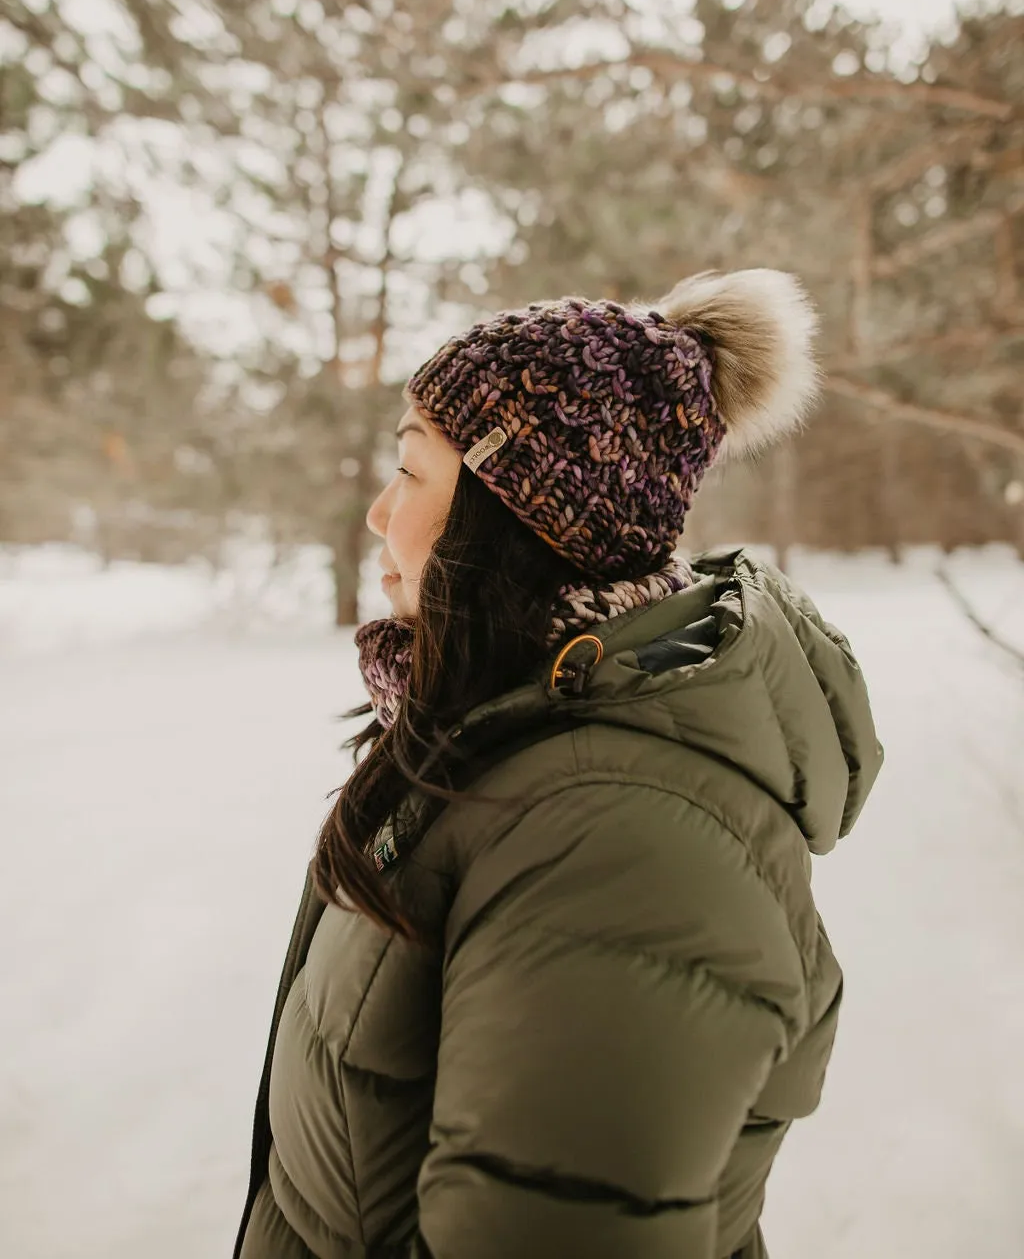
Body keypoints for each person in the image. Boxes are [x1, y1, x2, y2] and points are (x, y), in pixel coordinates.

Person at [232, 268, 883, 1259]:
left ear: (521, 513)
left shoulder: (617, 842)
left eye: (410, 470)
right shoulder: (507, 737)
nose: (378, 512)